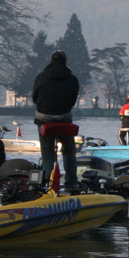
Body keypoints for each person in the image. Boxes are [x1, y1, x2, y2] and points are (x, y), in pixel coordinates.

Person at [33, 50, 81, 188]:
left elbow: (35, 98)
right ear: (65, 62)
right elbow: (72, 100)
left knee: (47, 155)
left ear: (51, 61)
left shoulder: (41, 77)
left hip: (44, 119)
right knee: (69, 152)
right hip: (64, 119)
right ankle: (71, 182)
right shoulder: (72, 79)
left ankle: (48, 184)